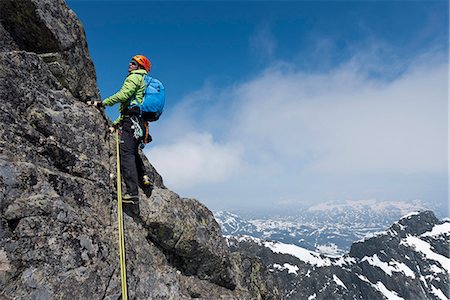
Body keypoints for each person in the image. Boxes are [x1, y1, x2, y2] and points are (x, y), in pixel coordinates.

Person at [91, 55, 153, 203]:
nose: (129, 65)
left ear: (139, 67)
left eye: (133, 63)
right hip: (138, 122)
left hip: (131, 122)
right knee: (133, 151)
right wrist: (117, 123)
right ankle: (144, 177)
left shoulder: (134, 77)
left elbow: (124, 95)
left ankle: (132, 193)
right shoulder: (143, 80)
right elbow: (132, 107)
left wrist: (103, 103)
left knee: (126, 154)